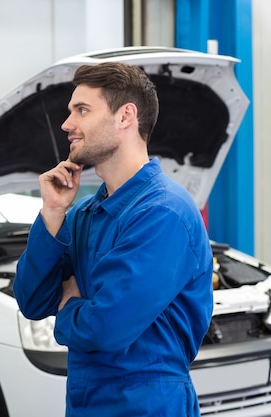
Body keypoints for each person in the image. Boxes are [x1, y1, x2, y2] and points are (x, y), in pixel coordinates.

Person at [13, 62, 213, 416]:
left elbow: (106, 328)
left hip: (147, 403)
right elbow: (31, 300)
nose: (67, 124)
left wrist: (66, 304)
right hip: (86, 399)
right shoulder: (84, 214)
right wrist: (52, 215)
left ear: (125, 116)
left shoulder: (164, 213)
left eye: (82, 110)